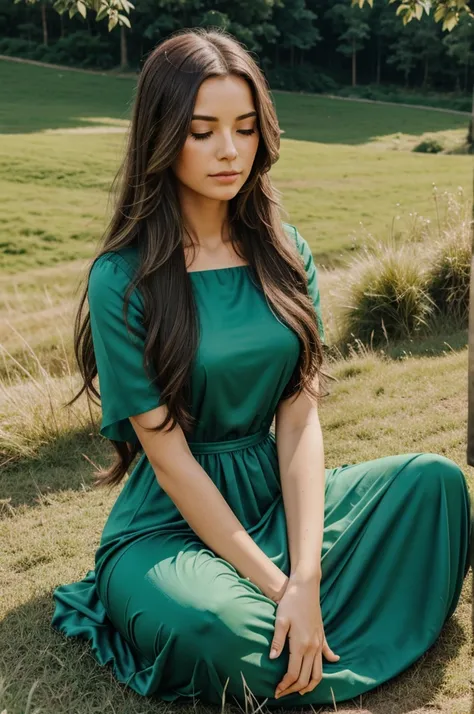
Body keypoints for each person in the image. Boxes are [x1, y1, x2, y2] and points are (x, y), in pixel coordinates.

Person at [51, 27, 472, 709]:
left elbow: (300, 417)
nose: (229, 150)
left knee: (435, 487)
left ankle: (310, 618)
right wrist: (280, 589)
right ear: (162, 135)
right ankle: (304, 624)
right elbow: (169, 461)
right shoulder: (121, 279)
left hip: (278, 502)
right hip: (168, 529)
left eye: (245, 128)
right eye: (202, 131)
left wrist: (303, 573)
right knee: (221, 631)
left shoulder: (284, 251)